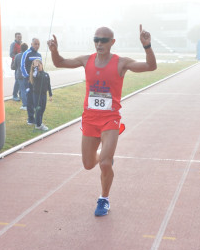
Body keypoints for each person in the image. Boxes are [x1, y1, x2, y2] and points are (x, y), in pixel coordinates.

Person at [47, 25, 156, 216]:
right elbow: (60, 63)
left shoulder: (121, 63)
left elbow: (150, 66)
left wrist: (147, 46)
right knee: (89, 164)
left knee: (105, 164)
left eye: (104, 40)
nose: (99, 43)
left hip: (110, 119)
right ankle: (104, 153)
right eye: (96, 39)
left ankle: (104, 198)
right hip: (90, 119)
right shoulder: (86, 60)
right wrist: (55, 51)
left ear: (112, 42)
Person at [20, 38, 42, 125]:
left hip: (37, 81)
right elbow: (22, 66)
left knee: (37, 99)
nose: (37, 45)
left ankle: (37, 118)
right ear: (31, 44)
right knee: (30, 99)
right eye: (35, 44)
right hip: (29, 81)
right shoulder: (26, 53)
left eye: (38, 44)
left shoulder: (39, 55)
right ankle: (30, 119)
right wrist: (27, 77)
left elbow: (40, 67)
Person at [29, 59, 53, 131]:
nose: (38, 67)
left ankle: (39, 122)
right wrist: (35, 67)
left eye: (39, 65)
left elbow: (49, 85)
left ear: (42, 65)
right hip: (37, 95)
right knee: (38, 109)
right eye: (36, 66)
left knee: (42, 109)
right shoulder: (35, 74)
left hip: (44, 95)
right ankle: (38, 125)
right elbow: (36, 75)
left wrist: (50, 94)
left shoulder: (46, 74)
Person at [13, 43, 29, 110]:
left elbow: (15, 66)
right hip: (27, 75)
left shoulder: (17, 56)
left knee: (22, 90)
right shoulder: (28, 56)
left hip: (19, 75)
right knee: (28, 90)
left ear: (20, 48)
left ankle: (25, 105)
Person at [9, 33, 23, 100]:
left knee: (21, 80)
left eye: (20, 37)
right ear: (15, 37)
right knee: (17, 80)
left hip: (22, 64)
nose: (19, 38)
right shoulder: (13, 44)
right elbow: (11, 54)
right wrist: (18, 58)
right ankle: (14, 95)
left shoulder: (22, 44)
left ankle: (21, 95)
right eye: (18, 37)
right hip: (17, 64)